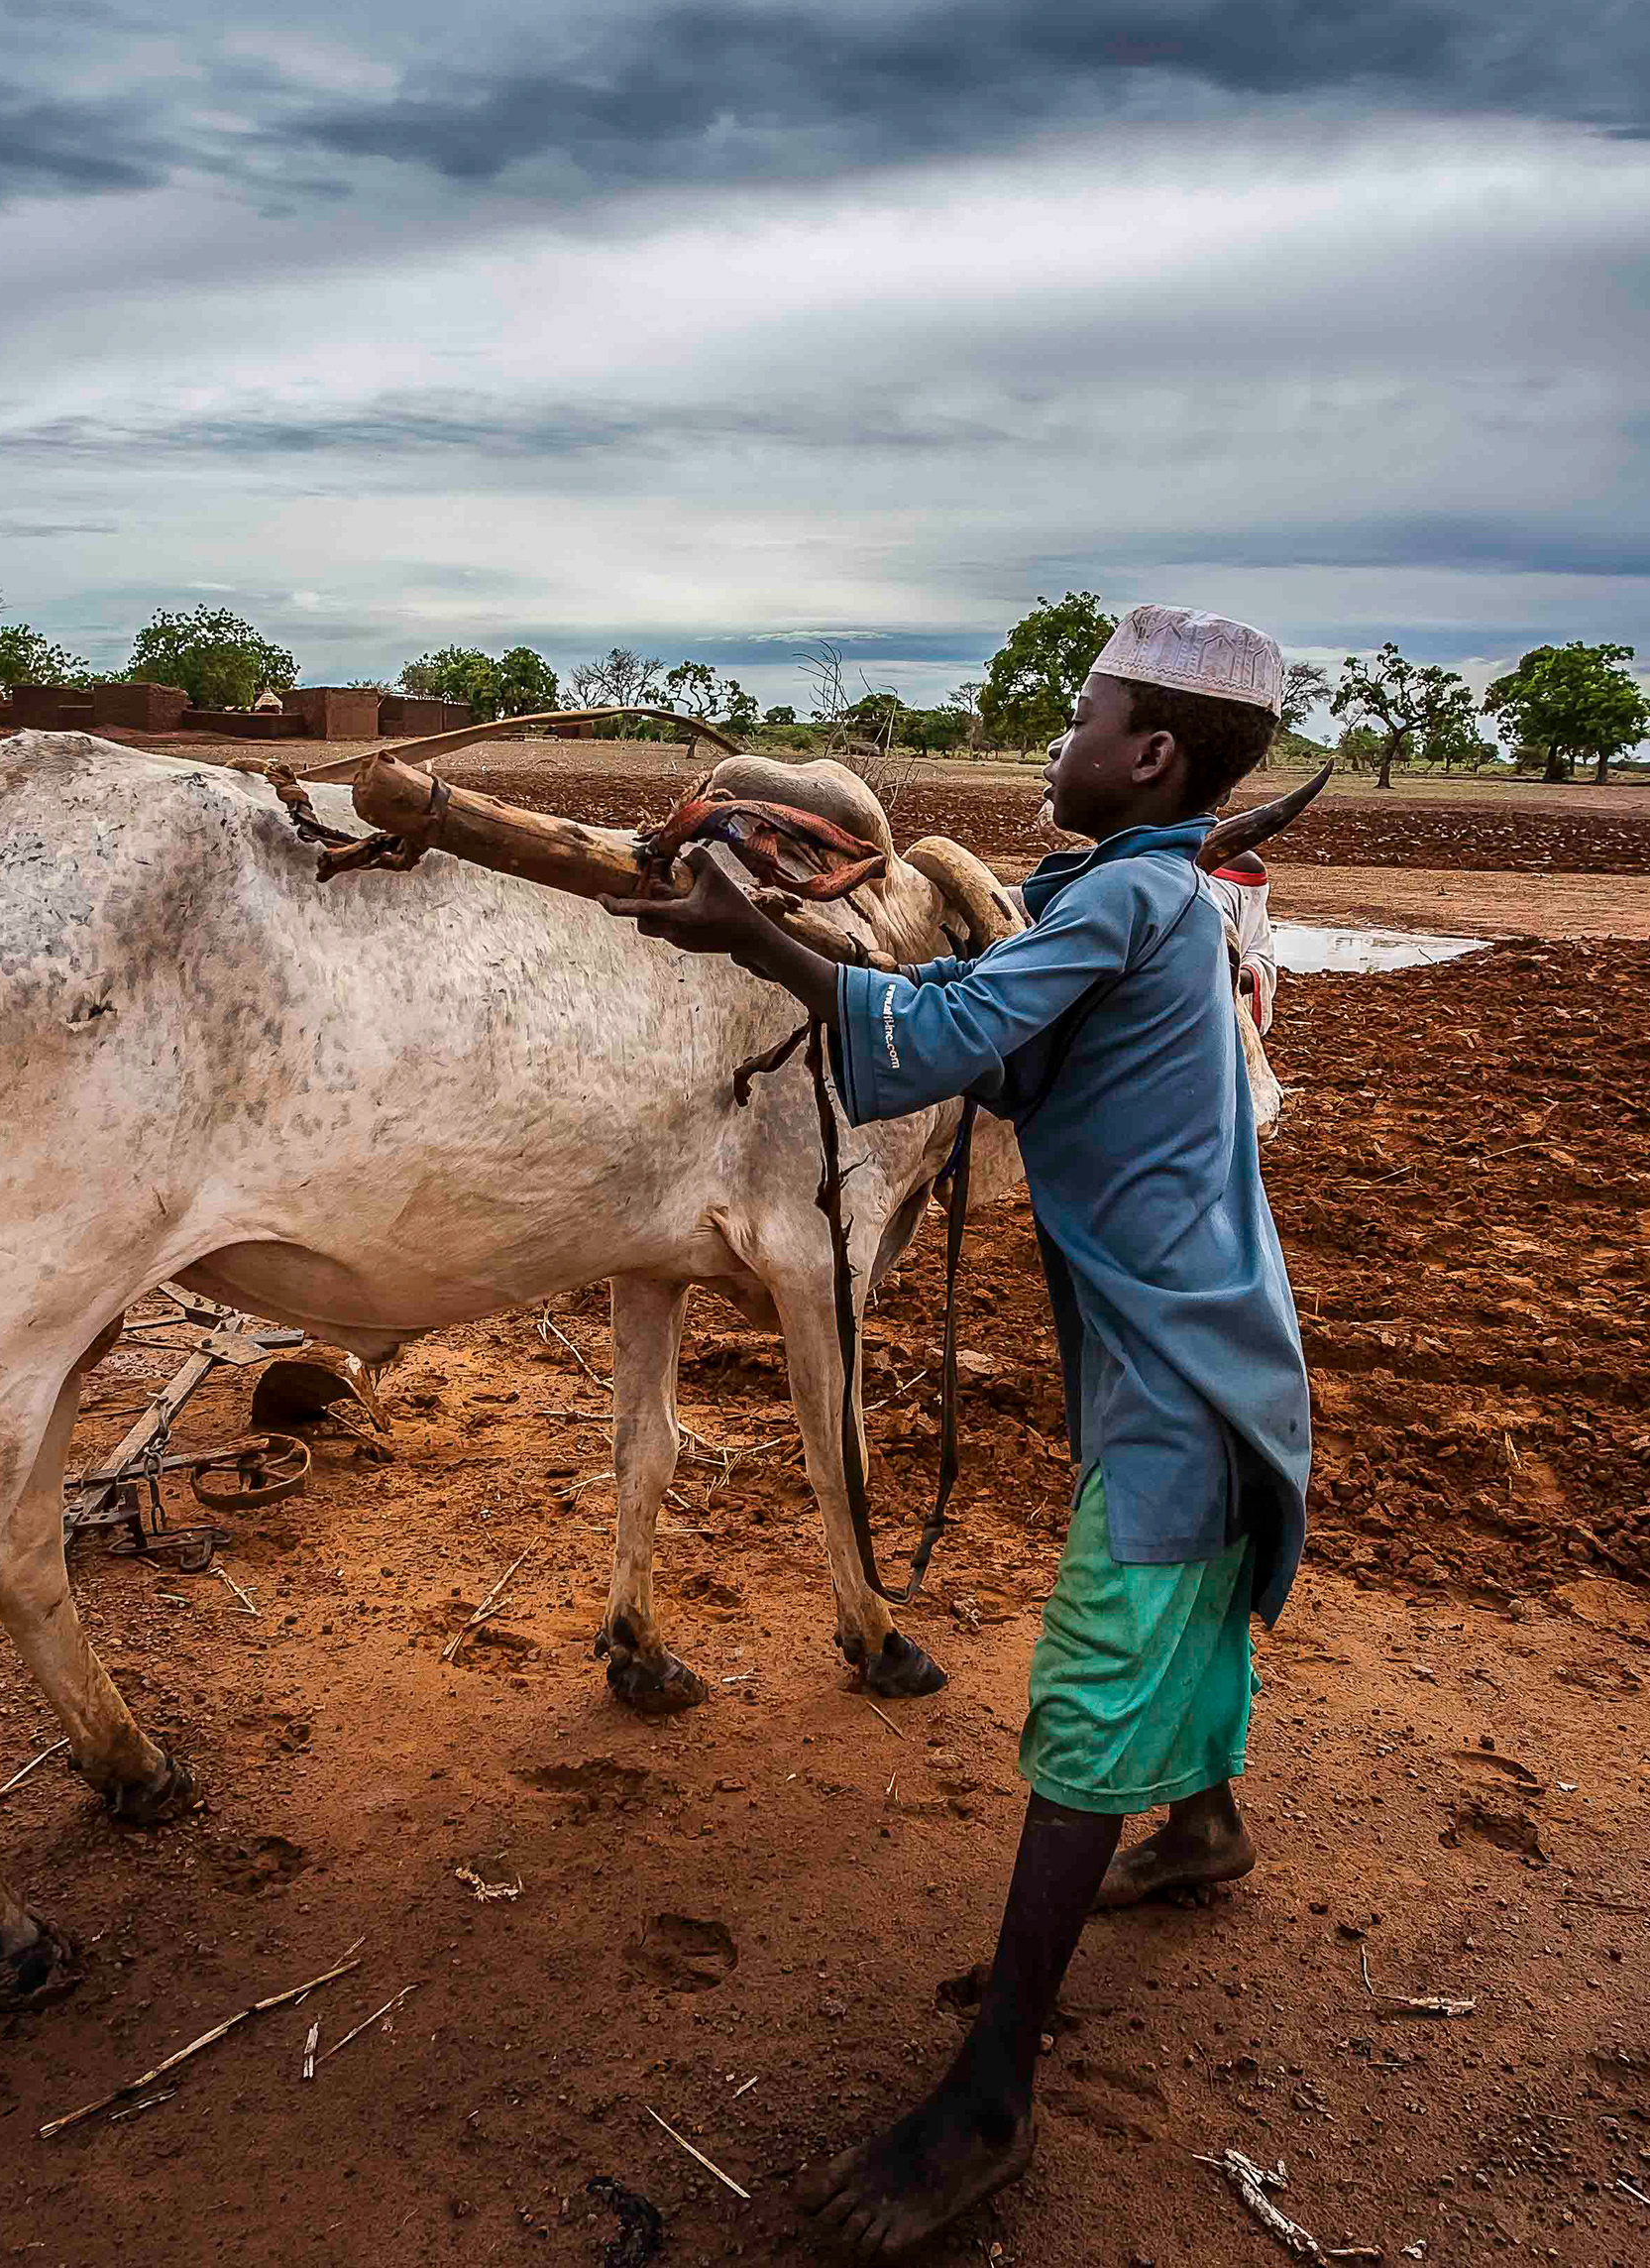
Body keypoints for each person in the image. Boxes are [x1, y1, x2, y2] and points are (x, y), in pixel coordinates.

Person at [605, 604, 1312, 2254]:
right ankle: (1205, 1825)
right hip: (1200, 1322)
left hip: (1179, 1356)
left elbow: (928, 1042)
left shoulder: (1125, 895)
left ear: (1150, 756)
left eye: (1083, 717)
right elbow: (1000, 1052)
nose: (1056, 743)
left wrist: (753, 940)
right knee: (1197, 1589)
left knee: (1098, 1670)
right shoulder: (1143, 893)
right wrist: (864, 972)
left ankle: (993, 2097)